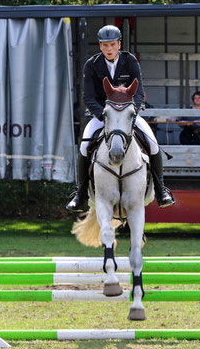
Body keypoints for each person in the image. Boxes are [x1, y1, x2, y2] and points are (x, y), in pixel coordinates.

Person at [66, 25, 175, 212]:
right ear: (100, 46)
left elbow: (139, 92)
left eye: (112, 45)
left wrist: (133, 111)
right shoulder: (91, 65)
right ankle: (80, 194)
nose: (109, 49)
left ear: (119, 44)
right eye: (105, 45)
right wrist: (104, 114)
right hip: (102, 116)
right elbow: (89, 97)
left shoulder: (130, 61)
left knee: (153, 144)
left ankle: (160, 190)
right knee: (84, 147)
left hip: (127, 116)